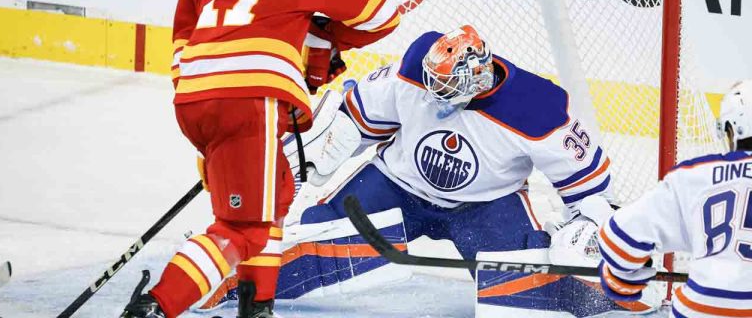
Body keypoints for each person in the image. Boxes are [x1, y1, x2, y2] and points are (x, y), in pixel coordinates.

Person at [121, 0, 400, 318]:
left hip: (195, 102)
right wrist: (327, 36)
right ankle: (156, 307)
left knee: (277, 195)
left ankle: (258, 308)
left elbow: (180, 53)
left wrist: (212, 143)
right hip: (251, 101)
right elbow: (384, 14)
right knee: (242, 228)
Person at [274, 25, 654, 316]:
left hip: (486, 206)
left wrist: (586, 234)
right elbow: (356, 119)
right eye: (432, 79)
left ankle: (617, 294)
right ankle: (239, 274)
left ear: (476, 80)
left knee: (532, 301)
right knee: (315, 246)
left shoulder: (537, 108)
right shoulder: (415, 68)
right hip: (396, 185)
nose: (430, 91)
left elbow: (590, 190)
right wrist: (314, 151)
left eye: (443, 84)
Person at [598, 80, 752, 317]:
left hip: (701, 310)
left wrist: (620, 277)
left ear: (733, 130)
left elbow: (619, 240)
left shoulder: (696, 176)